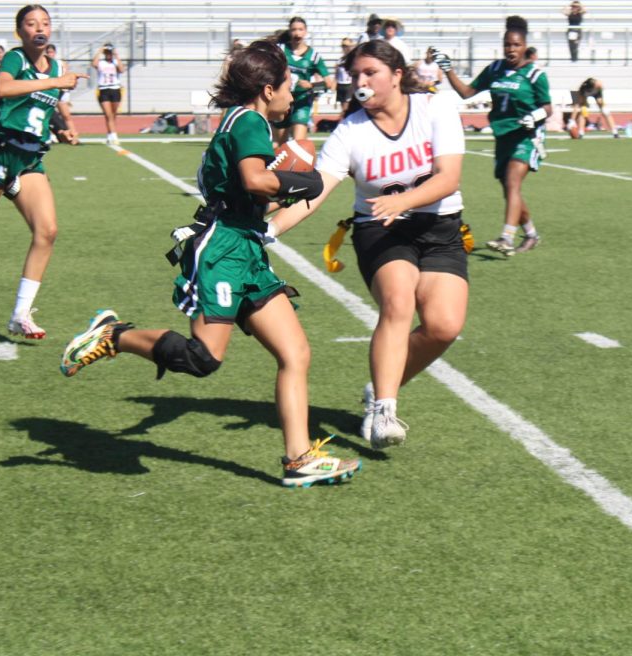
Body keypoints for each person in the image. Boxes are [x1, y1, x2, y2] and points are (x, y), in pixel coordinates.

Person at [59, 40, 358, 488]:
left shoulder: (244, 119)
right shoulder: (253, 121)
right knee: (202, 359)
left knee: (295, 352)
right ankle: (115, 335)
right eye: (289, 87)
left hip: (246, 247)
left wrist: (293, 180)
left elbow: (251, 183)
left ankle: (299, 459)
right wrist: (303, 181)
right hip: (224, 248)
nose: (293, 97)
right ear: (267, 88)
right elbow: (255, 180)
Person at [268, 39, 468, 450]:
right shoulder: (350, 131)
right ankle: (384, 409)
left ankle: (379, 386)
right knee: (398, 299)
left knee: (444, 326)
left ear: (397, 75)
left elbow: (448, 178)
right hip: (381, 228)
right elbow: (318, 190)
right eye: (356, 74)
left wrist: (404, 201)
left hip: (440, 226)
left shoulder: (436, 108)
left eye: (370, 73)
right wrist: (268, 230)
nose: (361, 82)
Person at [0, 5, 84, 338]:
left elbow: (41, 106)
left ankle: (20, 314)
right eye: (31, 23)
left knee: (47, 231)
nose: (39, 28)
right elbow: (4, 89)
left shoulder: (56, 66)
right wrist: (57, 81)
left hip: (28, 161)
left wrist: (61, 130)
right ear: (20, 31)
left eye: (45, 23)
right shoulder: (15, 59)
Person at [435, 15, 550, 255]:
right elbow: (467, 92)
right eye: (508, 44)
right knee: (510, 189)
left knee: (512, 182)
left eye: (516, 45)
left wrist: (535, 115)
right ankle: (530, 234)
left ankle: (506, 237)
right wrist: (448, 71)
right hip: (503, 136)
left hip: (525, 136)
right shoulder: (495, 69)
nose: (511, 49)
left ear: (525, 46)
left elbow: (548, 107)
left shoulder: (535, 75)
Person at [277, 16, 335, 143]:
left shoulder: (313, 56)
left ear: (305, 32)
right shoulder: (280, 50)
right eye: (294, 30)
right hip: (282, 101)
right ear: (289, 31)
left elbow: (329, 83)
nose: (297, 33)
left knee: (299, 143)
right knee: (280, 145)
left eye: (300, 29)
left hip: (301, 102)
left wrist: (311, 86)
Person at [92, 43, 127, 147]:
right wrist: (99, 51)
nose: (109, 54)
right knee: (108, 115)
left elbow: (121, 70)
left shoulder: (115, 62)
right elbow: (94, 64)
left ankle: (109, 134)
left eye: (110, 52)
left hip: (115, 89)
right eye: (107, 53)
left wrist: (116, 55)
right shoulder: (101, 63)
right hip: (104, 89)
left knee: (113, 115)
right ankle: (114, 136)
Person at [44, 44, 78, 145]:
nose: (50, 54)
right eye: (48, 52)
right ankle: (51, 136)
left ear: (54, 53)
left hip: (60, 92)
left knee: (66, 115)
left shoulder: (59, 63)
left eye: (52, 52)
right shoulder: (43, 63)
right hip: (49, 92)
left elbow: (66, 75)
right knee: (47, 114)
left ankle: (73, 136)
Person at [335, 37, 356, 112]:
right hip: (341, 84)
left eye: (347, 46)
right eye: (343, 46)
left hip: (349, 85)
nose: (345, 48)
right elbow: (336, 73)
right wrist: (335, 84)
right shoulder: (340, 60)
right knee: (342, 107)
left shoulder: (353, 59)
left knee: (346, 107)